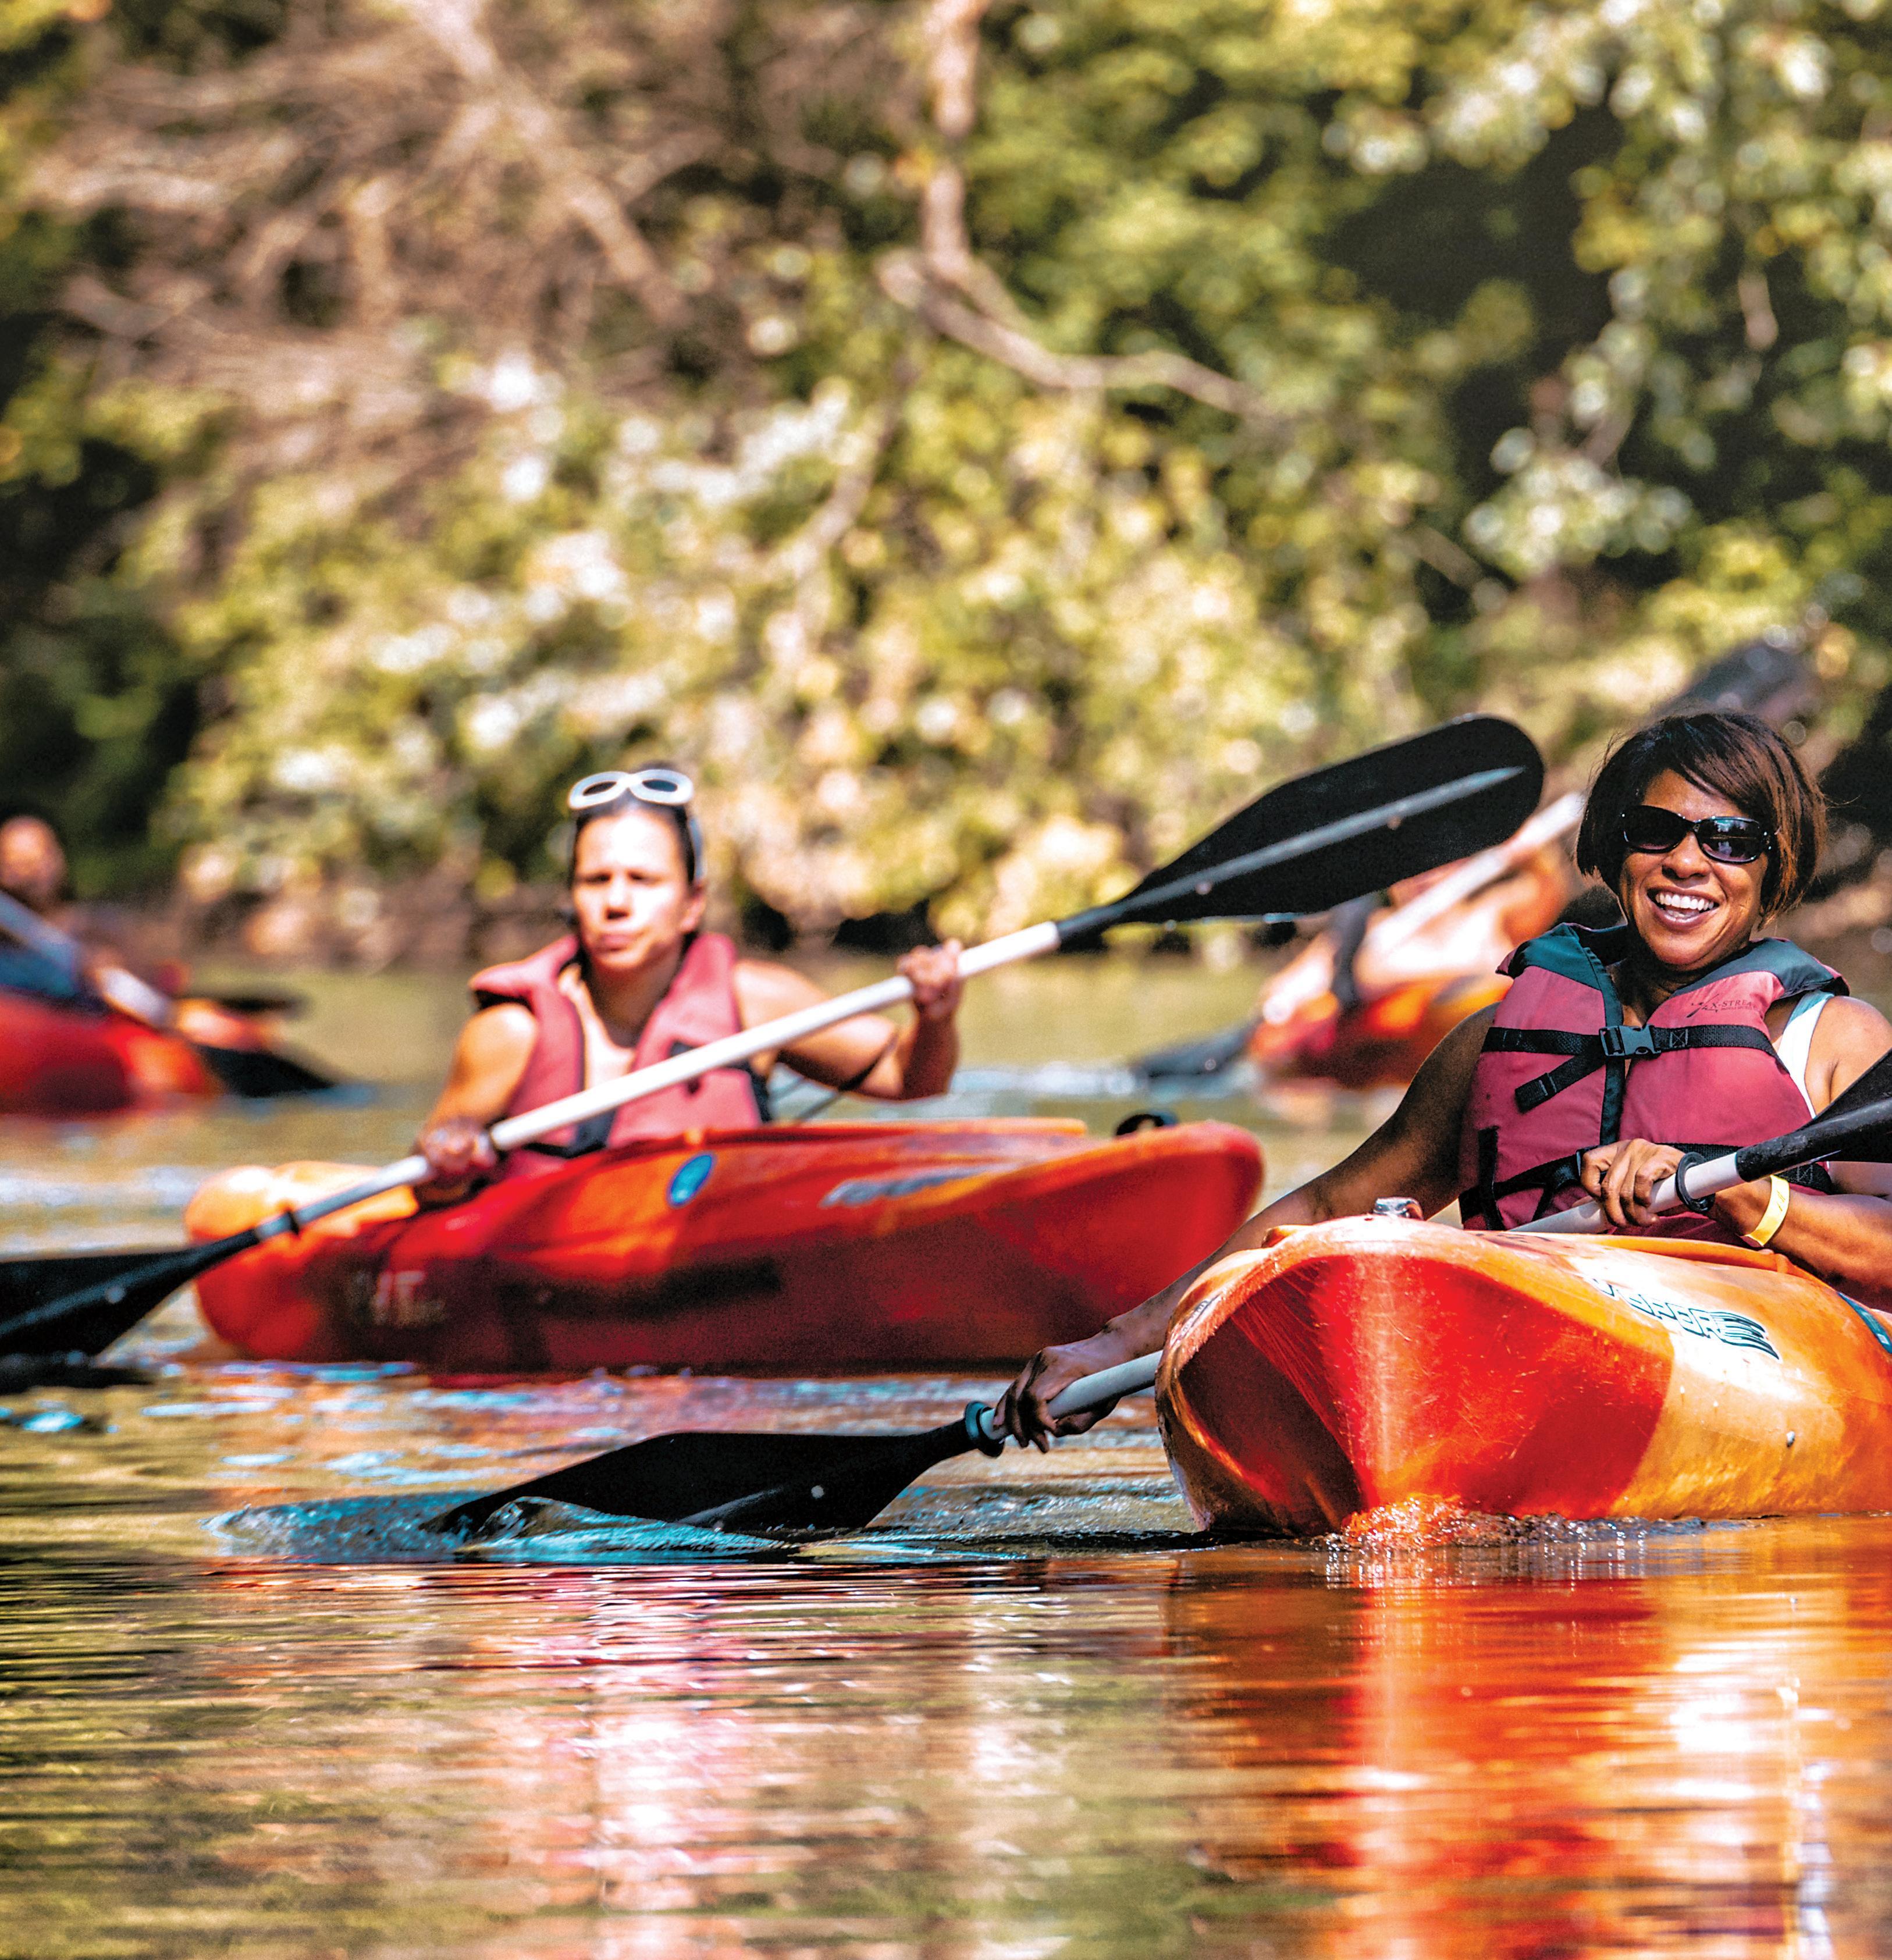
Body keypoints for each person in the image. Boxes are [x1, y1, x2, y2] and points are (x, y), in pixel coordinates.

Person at [1001, 710, 1892, 1445]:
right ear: (1613, 848)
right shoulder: (1496, 1038)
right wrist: (1118, 1342)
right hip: (1515, 1378)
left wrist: (1747, 1196)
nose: (1687, 863)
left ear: (1774, 865)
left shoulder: (1832, 1040)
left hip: (1749, 1375)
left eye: (1729, 839)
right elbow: (1326, 1209)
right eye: (1656, 832)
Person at [415, 766, 965, 1196]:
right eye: (596, 880)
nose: (616, 902)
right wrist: (448, 1162)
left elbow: (911, 1078)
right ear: (573, 896)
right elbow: (430, 1189)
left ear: (692, 903)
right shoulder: (512, 1032)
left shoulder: (756, 1002)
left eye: (643, 880)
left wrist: (935, 1016)